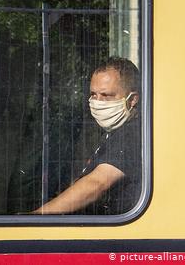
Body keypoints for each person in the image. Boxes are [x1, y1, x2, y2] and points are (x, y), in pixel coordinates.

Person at [33, 57, 141, 215]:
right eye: (93, 94)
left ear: (132, 100)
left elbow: (97, 183)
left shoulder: (132, 134)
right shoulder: (114, 130)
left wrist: (36, 217)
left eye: (106, 95)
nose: (97, 102)